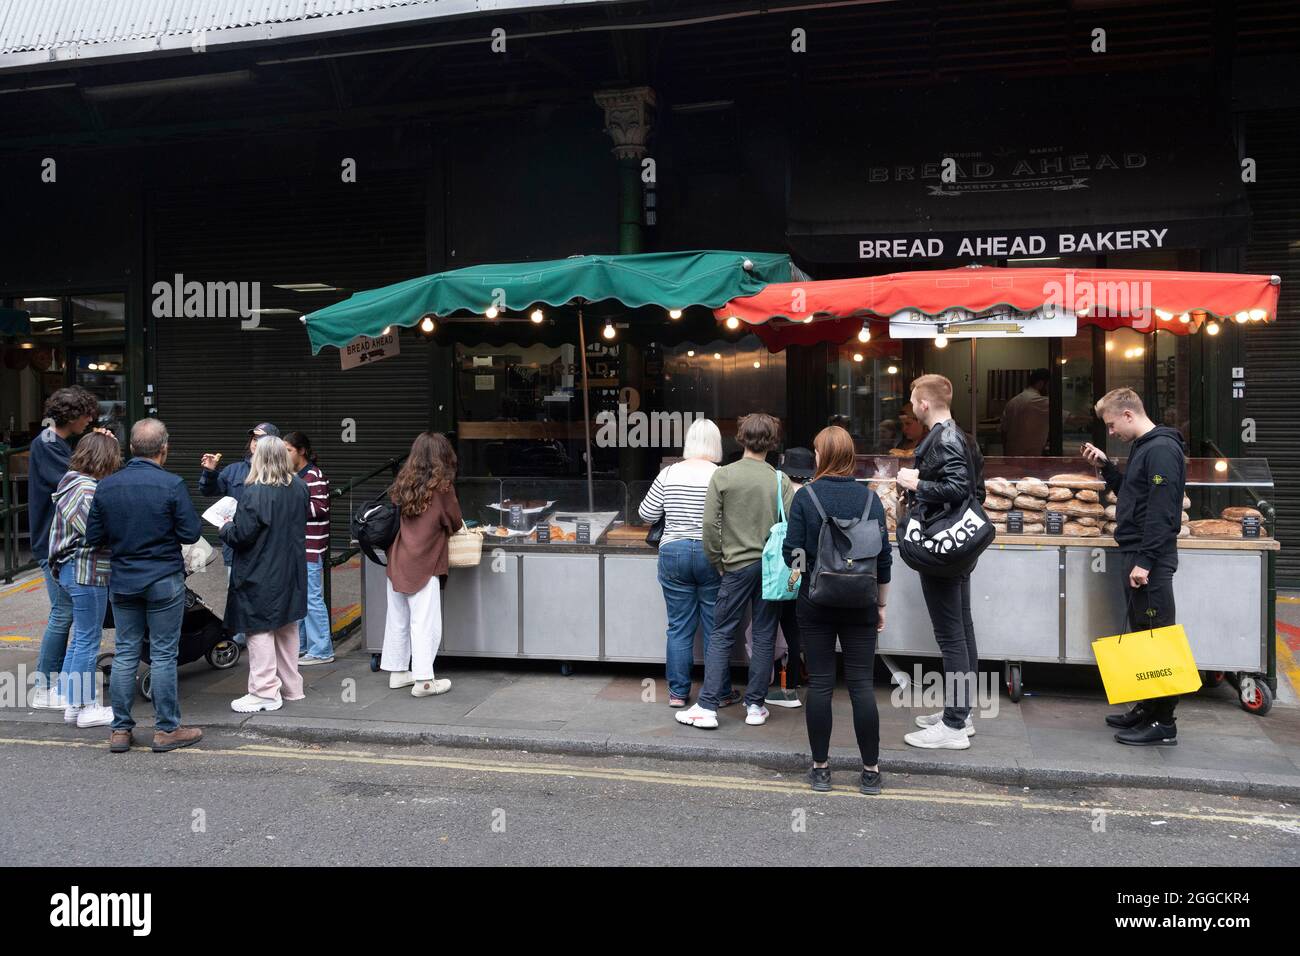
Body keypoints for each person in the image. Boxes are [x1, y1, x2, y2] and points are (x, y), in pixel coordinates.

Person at [783, 426, 892, 793]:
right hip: (861, 601)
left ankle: (821, 768)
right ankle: (871, 771)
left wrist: (802, 570)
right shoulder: (870, 501)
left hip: (816, 603)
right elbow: (883, 559)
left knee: (822, 686)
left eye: (816, 451)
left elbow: (791, 551)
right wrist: (881, 604)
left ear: (822, 456)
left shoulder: (806, 497)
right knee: (862, 686)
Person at [85, 418, 204, 753]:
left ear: (132, 449)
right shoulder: (172, 485)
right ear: (163, 450)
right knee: (164, 654)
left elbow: (93, 538)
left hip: (123, 580)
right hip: (163, 579)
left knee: (125, 652)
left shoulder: (107, 486)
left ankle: (120, 731)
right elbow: (190, 533)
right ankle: (167, 730)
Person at [677, 413, 795, 730]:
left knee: (722, 633)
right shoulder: (780, 480)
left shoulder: (724, 476)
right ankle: (755, 705)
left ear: (740, 438)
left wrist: (719, 561)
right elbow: (791, 529)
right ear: (772, 442)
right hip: (771, 569)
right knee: (764, 635)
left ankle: (707, 706)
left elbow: (708, 527)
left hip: (736, 566)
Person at [1082, 387, 1187, 745]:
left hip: (1150, 559)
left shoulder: (1160, 449)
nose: (1111, 433)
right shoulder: (1144, 447)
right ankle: (1147, 708)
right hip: (1138, 553)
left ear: (1128, 415)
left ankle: (1165, 723)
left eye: (1112, 425)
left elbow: (1162, 509)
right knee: (1144, 634)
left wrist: (1145, 561)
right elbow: (1134, 492)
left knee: (1158, 637)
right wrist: (1107, 469)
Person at [896, 374, 985, 750]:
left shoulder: (945, 438)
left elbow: (958, 487)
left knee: (951, 635)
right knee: (961, 630)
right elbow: (974, 489)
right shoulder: (959, 435)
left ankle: (952, 726)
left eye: (914, 401)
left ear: (924, 404)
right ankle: (960, 714)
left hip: (942, 545)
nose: (913, 407)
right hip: (956, 546)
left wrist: (915, 484)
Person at [639, 419, 728, 709]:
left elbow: (646, 513)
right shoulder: (720, 475)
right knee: (716, 627)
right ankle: (720, 692)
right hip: (710, 553)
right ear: (716, 444)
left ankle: (678, 693)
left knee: (678, 627)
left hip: (673, 552)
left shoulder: (669, 473)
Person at [220, 436, 309, 713]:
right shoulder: (299, 487)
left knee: (258, 629)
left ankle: (264, 691)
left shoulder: (255, 492)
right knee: (286, 626)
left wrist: (225, 528)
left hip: (260, 571)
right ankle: (292, 687)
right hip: (291, 568)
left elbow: (242, 536)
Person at [28, 386, 101, 709]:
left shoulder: (54, 443)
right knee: (63, 613)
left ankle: (58, 686)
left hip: (52, 542)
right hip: (52, 544)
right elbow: (74, 480)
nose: (90, 420)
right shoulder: (47, 445)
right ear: (72, 415)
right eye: (87, 415)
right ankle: (44, 686)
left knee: (67, 613)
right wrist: (101, 450)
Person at [47, 432, 121, 729]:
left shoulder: (72, 483)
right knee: (89, 639)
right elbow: (97, 534)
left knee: (81, 637)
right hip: (86, 570)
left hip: (71, 570)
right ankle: (87, 708)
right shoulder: (85, 490)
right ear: (104, 459)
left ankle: (71, 701)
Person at [383, 432, 463, 698]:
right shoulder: (442, 488)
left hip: (398, 558)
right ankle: (425, 681)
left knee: (398, 619)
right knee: (424, 622)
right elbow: (454, 522)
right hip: (424, 561)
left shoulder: (404, 481)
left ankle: (397, 672)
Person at [199, 422, 280, 648]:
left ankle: (268, 635)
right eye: (253, 439)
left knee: (269, 593)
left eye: (261, 439)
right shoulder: (234, 470)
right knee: (239, 593)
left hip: (269, 549)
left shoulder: (282, 474)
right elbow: (208, 490)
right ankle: (243, 637)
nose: (255, 443)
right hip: (237, 546)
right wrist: (210, 472)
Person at [766, 445, 815, 709]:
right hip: (804, 563)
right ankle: (795, 676)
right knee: (796, 627)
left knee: (775, 625)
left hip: (784, 565)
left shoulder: (780, 492)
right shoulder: (811, 493)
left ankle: (778, 680)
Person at [284, 432, 334, 665]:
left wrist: (289, 504)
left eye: (289, 450)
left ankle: (322, 649)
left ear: (301, 451)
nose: (285, 454)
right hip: (296, 547)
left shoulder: (314, 475)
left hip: (311, 547)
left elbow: (320, 508)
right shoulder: (292, 476)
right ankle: (302, 646)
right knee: (300, 597)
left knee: (312, 597)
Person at [1001, 368, 1050, 457]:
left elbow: (1004, 431)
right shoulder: (1039, 401)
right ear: (1041, 383)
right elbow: (1070, 418)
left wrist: (1005, 455)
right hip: (1030, 459)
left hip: (1011, 457)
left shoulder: (1012, 402)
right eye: (1048, 385)